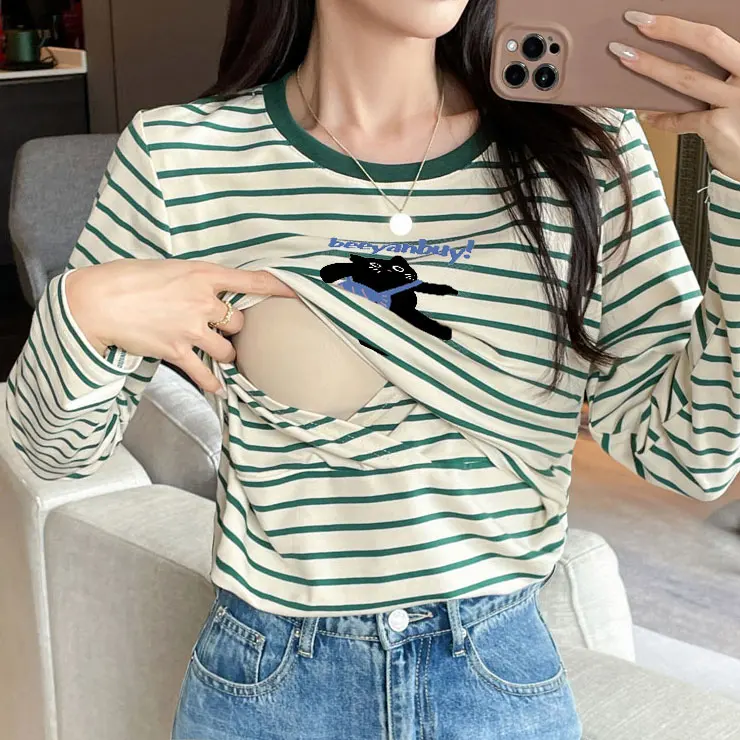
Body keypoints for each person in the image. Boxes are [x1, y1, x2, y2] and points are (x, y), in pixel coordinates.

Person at [6, 1, 740, 737]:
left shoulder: (587, 150)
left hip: (496, 685)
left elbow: (691, 453)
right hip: (268, 687)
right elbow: (51, 455)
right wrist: (78, 309)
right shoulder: (181, 154)